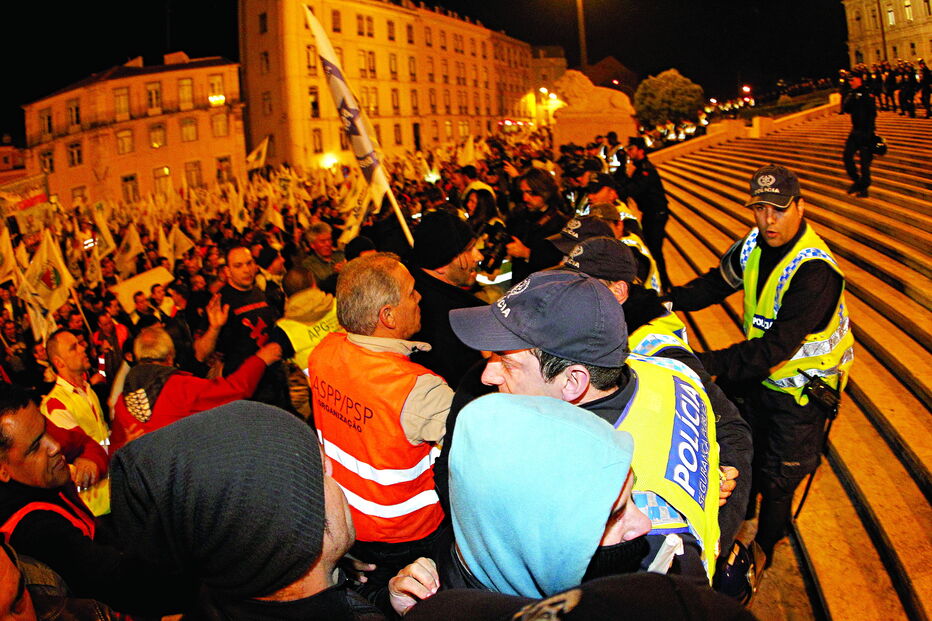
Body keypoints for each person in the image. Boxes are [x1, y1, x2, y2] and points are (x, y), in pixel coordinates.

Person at [449, 271, 721, 583]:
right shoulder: (665, 371)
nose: (487, 376)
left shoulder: (603, 495)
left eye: (508, 364)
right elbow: (731, 431)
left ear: (573, 381)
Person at [667, 164, 854, 567]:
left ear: (800, 207)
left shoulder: (816, 271)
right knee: (744, 454)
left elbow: (773, 348)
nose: (768, 220)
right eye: (760, 209)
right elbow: (715, 283)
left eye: (779, 209)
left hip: (800, 395)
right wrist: (665, 301)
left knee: (779, 479)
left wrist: (702, 363)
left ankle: (766, 548)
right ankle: (743, 518)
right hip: (759, 379)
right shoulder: (752, 243)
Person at [561, 236, 752, 556]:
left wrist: (714, 522)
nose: (568, 298)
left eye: (584, 287)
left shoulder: (654, 346)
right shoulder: (592, 329)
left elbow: (731, 429)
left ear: (618, 291)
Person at [110, 401, 385, 620]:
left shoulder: (219, 597)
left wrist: (378, 598)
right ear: (293, 530)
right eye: (318, 470)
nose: (332, 468)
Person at [388, 393, 651, 613]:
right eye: (612, 516)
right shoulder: (444, 601)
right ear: (530, 540)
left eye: (631, 496)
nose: (645, 524)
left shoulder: (477, 542)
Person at [308, 253, 453, 599]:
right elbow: (486, 450)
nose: (420, 297)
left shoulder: (322, 353)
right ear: (387, 316)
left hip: (349, 524)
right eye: (411, 292)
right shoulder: (418, 389)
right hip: (411, 536)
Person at [0, 385, 191, 616]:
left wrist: (91, 459)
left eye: (46, 427)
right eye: (34, 448)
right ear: (3, 470)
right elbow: (119, 582)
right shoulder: (35, 530)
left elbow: (85, 442)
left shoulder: (29, 434)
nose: (55, 445)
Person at [110, 325, 282, 450]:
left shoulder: (122, 400)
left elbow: (114, 449)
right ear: (170, 356)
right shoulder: (180, 387)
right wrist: (260, 359)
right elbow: (235, 389)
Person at [194, 246, 293, 413]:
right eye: (238, 266)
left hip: (275, 381)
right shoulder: (220, 301)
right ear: (227, 271)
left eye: (249, 263)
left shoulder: (261, 293)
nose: (246, 270)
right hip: (247, 389)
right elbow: (200, 353)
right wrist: (214, 328)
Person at [407, 211, 487, 387]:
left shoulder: (415, 292)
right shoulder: (450, 322)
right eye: (468, 250)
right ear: (441, 265)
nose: (479, 256)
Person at [39, 329, 109, 516]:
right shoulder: (55, 405)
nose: (82, 348)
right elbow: (80, 452)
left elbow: (102, 438)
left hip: (112, 493)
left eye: (80, 344)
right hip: (94, 506)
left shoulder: (87, 390)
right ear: (59, 362)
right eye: (73, 347)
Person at [276, 267, 342, 420]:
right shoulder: (340, 305)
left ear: (286, 294)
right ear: (313, 283)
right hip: (358, 382)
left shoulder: (283, 330)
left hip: (323, 397)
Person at [616, 137, 671, 290]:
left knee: (654, 251)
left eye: (631, 149)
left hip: (657, 214)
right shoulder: (639, 168)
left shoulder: (646, 170)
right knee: (653, 250)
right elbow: (625, 185)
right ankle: (664, 284)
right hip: (650, 213)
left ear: (640, 151)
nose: (628, 152)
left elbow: (631, 190)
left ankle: (664, 285)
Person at [505, 168, 570, 282]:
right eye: (523, 192)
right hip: (517, 282)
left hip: (542, 285)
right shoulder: (520, 215)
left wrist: (527, 254)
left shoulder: (561, 223)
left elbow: (558, 263)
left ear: (544, 191)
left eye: (530, 193)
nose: (525, 198)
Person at [842, 71, 877, 198]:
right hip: (855, 130)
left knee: (864, 163)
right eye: (849, 80)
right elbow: (846, 109)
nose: (850, 82)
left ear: (859, 80)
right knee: (847, 157)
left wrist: (869, 132)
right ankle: (858, 182)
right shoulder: (852, 93)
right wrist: (851, 96)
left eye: (852, 80)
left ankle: (863, 189)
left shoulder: (867, 93)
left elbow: (872, 113)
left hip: (866, 132)